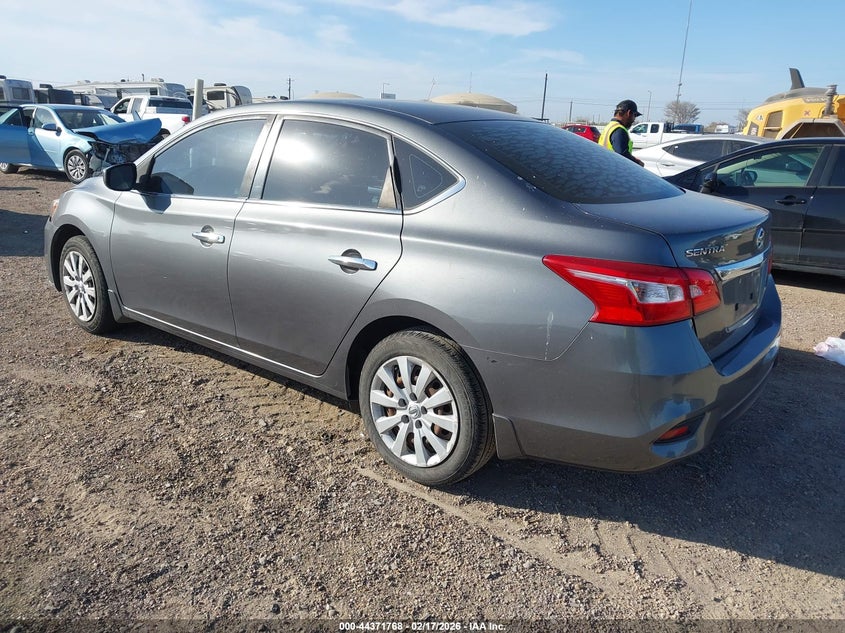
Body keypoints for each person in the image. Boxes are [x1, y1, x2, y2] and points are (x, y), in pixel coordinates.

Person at [598, 99, 644, 166]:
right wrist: (637, 163)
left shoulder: (610, 126)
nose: (634, 119)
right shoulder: (619, 130)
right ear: (629, 113)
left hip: (605, 166)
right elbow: (622, 156)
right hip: (614, 168)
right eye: (635, 115)